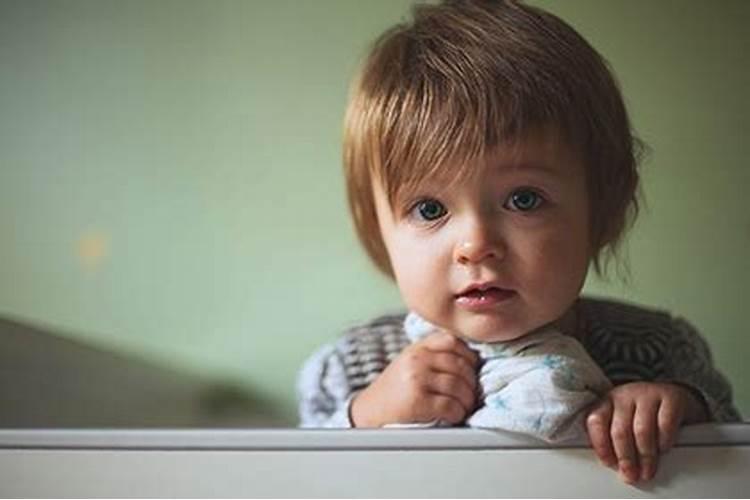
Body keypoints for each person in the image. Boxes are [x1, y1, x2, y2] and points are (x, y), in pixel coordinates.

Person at [296, 0, 741, 484]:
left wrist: (681, 415)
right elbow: (293, 478)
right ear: (376, 227)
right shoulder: (352, 366)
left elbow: (731, 468)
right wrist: (364, 419)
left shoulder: (656, 351)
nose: (476, 245)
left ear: (604, 205)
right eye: (429, 210)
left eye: (524, 199)